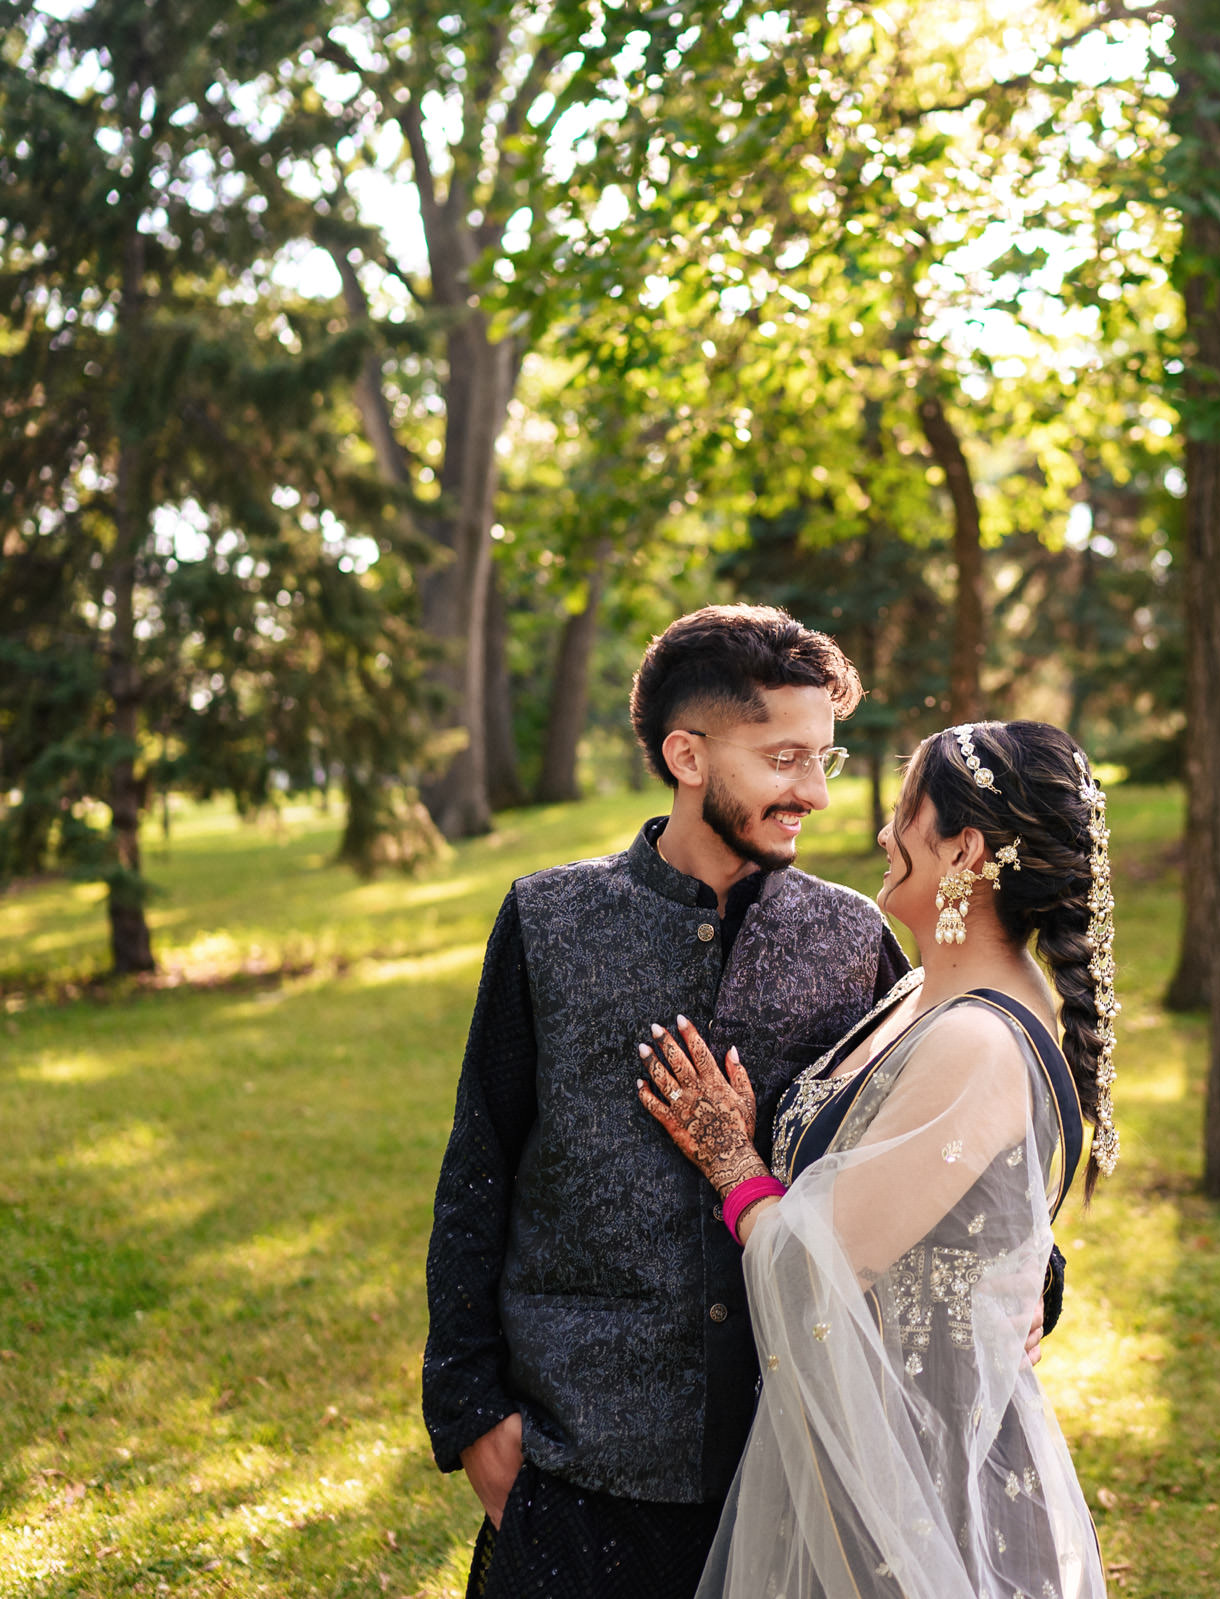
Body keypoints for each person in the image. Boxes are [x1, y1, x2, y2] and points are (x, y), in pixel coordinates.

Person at [421, 605, 910, 1598]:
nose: (813, 791)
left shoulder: (853, 943)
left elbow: (925, 1141)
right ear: (688, 755)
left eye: (826, 758)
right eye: (783, 758)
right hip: (576, 1467)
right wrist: (472, 1413)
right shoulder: (547, 920)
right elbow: (481, 1165)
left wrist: (1028, 1273)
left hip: (787, 1463)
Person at [641, 719, 1116, 1599]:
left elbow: (812, 1266)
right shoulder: (919, 992)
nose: (884, 833)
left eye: (905, 812)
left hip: (913, 1484)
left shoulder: (978, 1038)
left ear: (963, 849)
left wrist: (732, 1164)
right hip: (854, 1445)